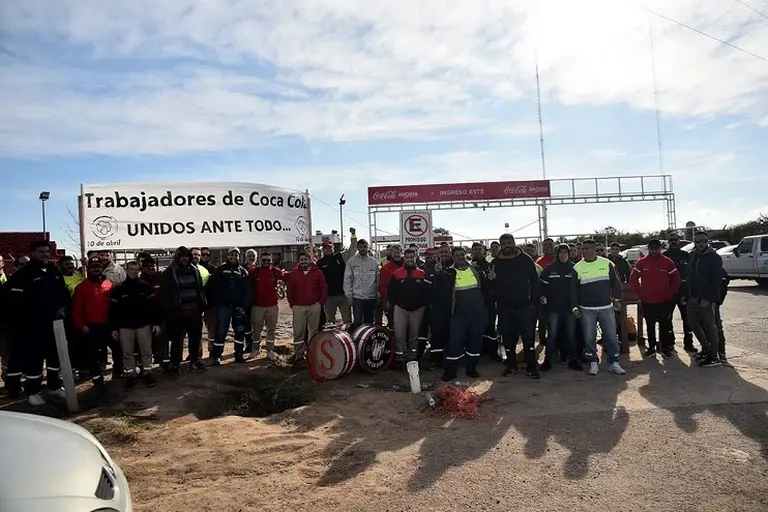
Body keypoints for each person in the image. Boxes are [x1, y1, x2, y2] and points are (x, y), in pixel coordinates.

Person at [4, 241, 70, 405]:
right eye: (41, 252)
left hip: (55, 325)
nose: (45, 254)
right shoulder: (23, 274)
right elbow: (14, 303)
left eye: (47, 251)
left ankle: (54, 387)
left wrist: (63, 311)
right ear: (32, 253)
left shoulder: (54, 271)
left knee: (54, 359)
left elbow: (63, 294)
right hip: (32, 327)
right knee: (34, 360)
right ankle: (32, 392)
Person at [489, 234, 541, 379]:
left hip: (524, 305)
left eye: (509, 242)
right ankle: (511, 365)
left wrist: (533, 302)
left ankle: (531, 367)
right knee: (507, 337)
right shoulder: (495, 262)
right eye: (504, 243)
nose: (507, 245)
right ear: (500, 245)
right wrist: (491, 280)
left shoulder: (526, 259)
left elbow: (535, 281)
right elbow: (491, 287)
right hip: (504, 307)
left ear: (514, 243)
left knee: (528, 337)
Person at [572, 239, 625, 376]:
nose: (584, 251)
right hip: (586, 309)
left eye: (587, 248)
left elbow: (616, 283)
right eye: (582, 249)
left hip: (606, 307)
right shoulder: (577, 267)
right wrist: (575, 307)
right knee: (589, 338)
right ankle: (593, 362)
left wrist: (617, 299)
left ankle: (614, 362)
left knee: (611, 337)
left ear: (594, 249)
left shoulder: (607, 263)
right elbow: (573, 290)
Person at [440, 246, 488, 382]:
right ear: (453, 258)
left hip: (477, 314)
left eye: (462, 254)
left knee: (475, 341)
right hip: (459, 315)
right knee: (454, 342)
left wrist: (490, 279)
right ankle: (450, 370)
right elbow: (442, 289)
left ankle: (471, 368)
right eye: (457, 255)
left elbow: (486, 288)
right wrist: (439, 274)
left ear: (466, 255)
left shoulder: (476, 270)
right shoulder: (449, 273)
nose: (460, 257)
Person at [109, 260, 159, 389]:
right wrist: (114, 328)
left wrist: (156, 323)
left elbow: (154, 307)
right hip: (125, 326)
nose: (133, 272)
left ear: (139, 271)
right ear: (126, 270)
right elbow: (113, 311)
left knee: (146, 350)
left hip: (144, 325)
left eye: (136, 270)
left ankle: (147, 372)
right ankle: (131, 375)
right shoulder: (120, 288)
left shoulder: (145, 286)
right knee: (127, 352)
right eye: (131, 269)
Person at [630, 239, 681, 359]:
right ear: (648, 249)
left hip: (664, 301)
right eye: (652, 248)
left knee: (664, 325)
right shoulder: (642, 262)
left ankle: (663, 348)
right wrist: (640, 292)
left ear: (660, 248)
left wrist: (671, 293)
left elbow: (676, 278)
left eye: (656, 248)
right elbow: (633, 278)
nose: (654, 251)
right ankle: (651, 347)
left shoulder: (667, 262)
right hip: (647, 301)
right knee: (650, 325)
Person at [161, 246, 207, 375]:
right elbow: (165, 293)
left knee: (196, 338)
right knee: (177, 341)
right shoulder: (170, 272)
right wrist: (169, 310)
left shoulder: (194, 270)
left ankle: (195, 360)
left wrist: (202, 305)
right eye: (182, 257)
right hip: (178, 313)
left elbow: (200, 289)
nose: (184, 259)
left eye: (187, 257)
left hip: (195, 312)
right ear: (177, 258)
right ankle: (175, 364)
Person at [539, 244, 583, 371]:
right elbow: (542, 287)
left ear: (569, 254)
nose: (563, 255)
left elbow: (579, 289)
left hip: (570, 309)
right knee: (552, 334)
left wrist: (577, 306)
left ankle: (572, 359)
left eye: (565, 252)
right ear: (556, 254)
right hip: (553, 309)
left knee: (570, 334)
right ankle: (548, 360)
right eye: (560, 252)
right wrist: (542, 297)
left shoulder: (574, 269)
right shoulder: (549, 269)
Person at [205, 247, 251, 365]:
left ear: (239, 257)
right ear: (228, 256)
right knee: (220, 332)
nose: (234, 257)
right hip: (223, 307)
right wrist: (215, 303)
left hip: (238, 308)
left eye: (236, 255)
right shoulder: (220, 270)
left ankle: (239, 355)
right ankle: (217, 356)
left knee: (239, 331)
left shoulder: (243, 272)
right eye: (232, 255)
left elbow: (247, 291)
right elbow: (212, 287)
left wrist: (243, 307)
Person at [686, 231, 724, 368]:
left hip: (706, 299)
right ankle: (706, 349)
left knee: (710, 327)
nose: (700, 244)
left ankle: (714, 356)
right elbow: (689, 276)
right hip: (693, 297)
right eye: (697, 241)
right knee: (693, 323)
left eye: (703, 241)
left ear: (707, 241)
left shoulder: (713, 257)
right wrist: (687, 294)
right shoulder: (693, 255)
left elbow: (716, 281)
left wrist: (708, 298)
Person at [388, 247, 428, 366]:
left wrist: (422, 304)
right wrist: (394, 302)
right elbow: (391, 291)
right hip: (400, 308)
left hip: (417, 309)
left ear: (416, 257)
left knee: (414, 335)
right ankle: (400, 356)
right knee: (399, 334)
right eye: (407, 257)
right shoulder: (397, 273)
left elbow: (426, 291)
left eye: (412, 257)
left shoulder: (422, 273)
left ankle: (413, 356)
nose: (410, 260)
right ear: (404, 258)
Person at [286, 253, 327, 360]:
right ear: (299, 261)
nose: (303, 261)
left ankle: (312, 353)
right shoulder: (294, 274)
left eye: (305, 259)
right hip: (299, 307)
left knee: (313, 332)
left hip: (314, 306)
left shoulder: (317, 272)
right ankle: (299, 354)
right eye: (301, 260)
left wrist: (320, 303)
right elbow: (290, 290)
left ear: (310, 260)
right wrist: (292, 304)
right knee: (298, 331)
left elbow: (323, 288)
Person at [249, 250, 284, 360]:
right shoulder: (254, 271)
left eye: (268, 260)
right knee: (256, 330)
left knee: (271, 330)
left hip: (272, 306)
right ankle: (255, 349)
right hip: (258, 306)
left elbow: (288, 277)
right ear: (260, 260)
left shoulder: (275, 271)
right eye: (264, 260)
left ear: (271, 261)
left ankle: (270, 350)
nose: (266, 262)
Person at [426, 244, 455, 369]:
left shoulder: (455, 266)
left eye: (445, 252)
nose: (443, 254)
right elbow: (427, 287)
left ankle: (451, 359)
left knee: (452, 334)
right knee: (436, 334)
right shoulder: (430, 268)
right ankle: (436, 359)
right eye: (440, 252)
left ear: (450, 253)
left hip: (452, 306)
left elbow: (451, 278)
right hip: (436, 307)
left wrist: (441, 272)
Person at [664, 233, 694, 352]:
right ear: (668, 242)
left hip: (684, 292)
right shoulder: (665, 256)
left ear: (679, 241)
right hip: (670, 292)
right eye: (671, 240)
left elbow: (692, 273)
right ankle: (669, 342)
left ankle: (689, 344)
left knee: (687, 319)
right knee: (667, 318)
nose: (673, 242)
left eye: (675, 240)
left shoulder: (686, 255)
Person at [140, 257, 169, 371]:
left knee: (163, 340)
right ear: (142, 268)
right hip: (146, 316)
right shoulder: (140, 281)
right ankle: (145, 366)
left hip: (161, 314)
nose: (151, 268)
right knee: (146, 342)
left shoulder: (161, 278)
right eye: (148, 266)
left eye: (152, 265)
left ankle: (165, 363)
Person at [344, 235, 379, 328]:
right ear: (358, 248)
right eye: (361, 246)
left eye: (365, 246)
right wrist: (349, 296)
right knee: (357, 322)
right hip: (357, 298)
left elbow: (378, 280)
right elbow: (347, 280)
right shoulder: (351, 262)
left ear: (368, 247)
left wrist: (378, 294)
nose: (363, 248)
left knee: (370, 323)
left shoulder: (374, 262)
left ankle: (368, 341)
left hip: (371, 298)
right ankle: (357, 340)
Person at [317, 240, 353, 325]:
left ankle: (348, 336)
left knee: (347, 320)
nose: (328, 249)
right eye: (325, 248)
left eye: (330, 247)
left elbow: (352, 251)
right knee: (330, 321)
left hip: (343, 295)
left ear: (333, 248)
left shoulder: (340, 257)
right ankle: (331, 338)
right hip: (329, 297)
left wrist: (353, 237)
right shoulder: (319, 263)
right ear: (323, 249)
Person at [379, 244, 403, 327]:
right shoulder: (385, 268)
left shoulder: (408, 265)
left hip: (406, 301)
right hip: (392, 302)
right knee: (392, 325)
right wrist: (388, 299)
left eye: (398, 252)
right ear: (391, 254)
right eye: (394, 252)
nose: (396, 255)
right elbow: (382, 286)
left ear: (401, 253)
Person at [716, 268, 730, 363]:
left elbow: (724, 283)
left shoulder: (714, 261)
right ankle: (709, 349)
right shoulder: (696, 259)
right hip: (700, 299)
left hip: (712, 300)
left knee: (716, 326)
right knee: (704, 326)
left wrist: (718, 300)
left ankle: (721, 352)